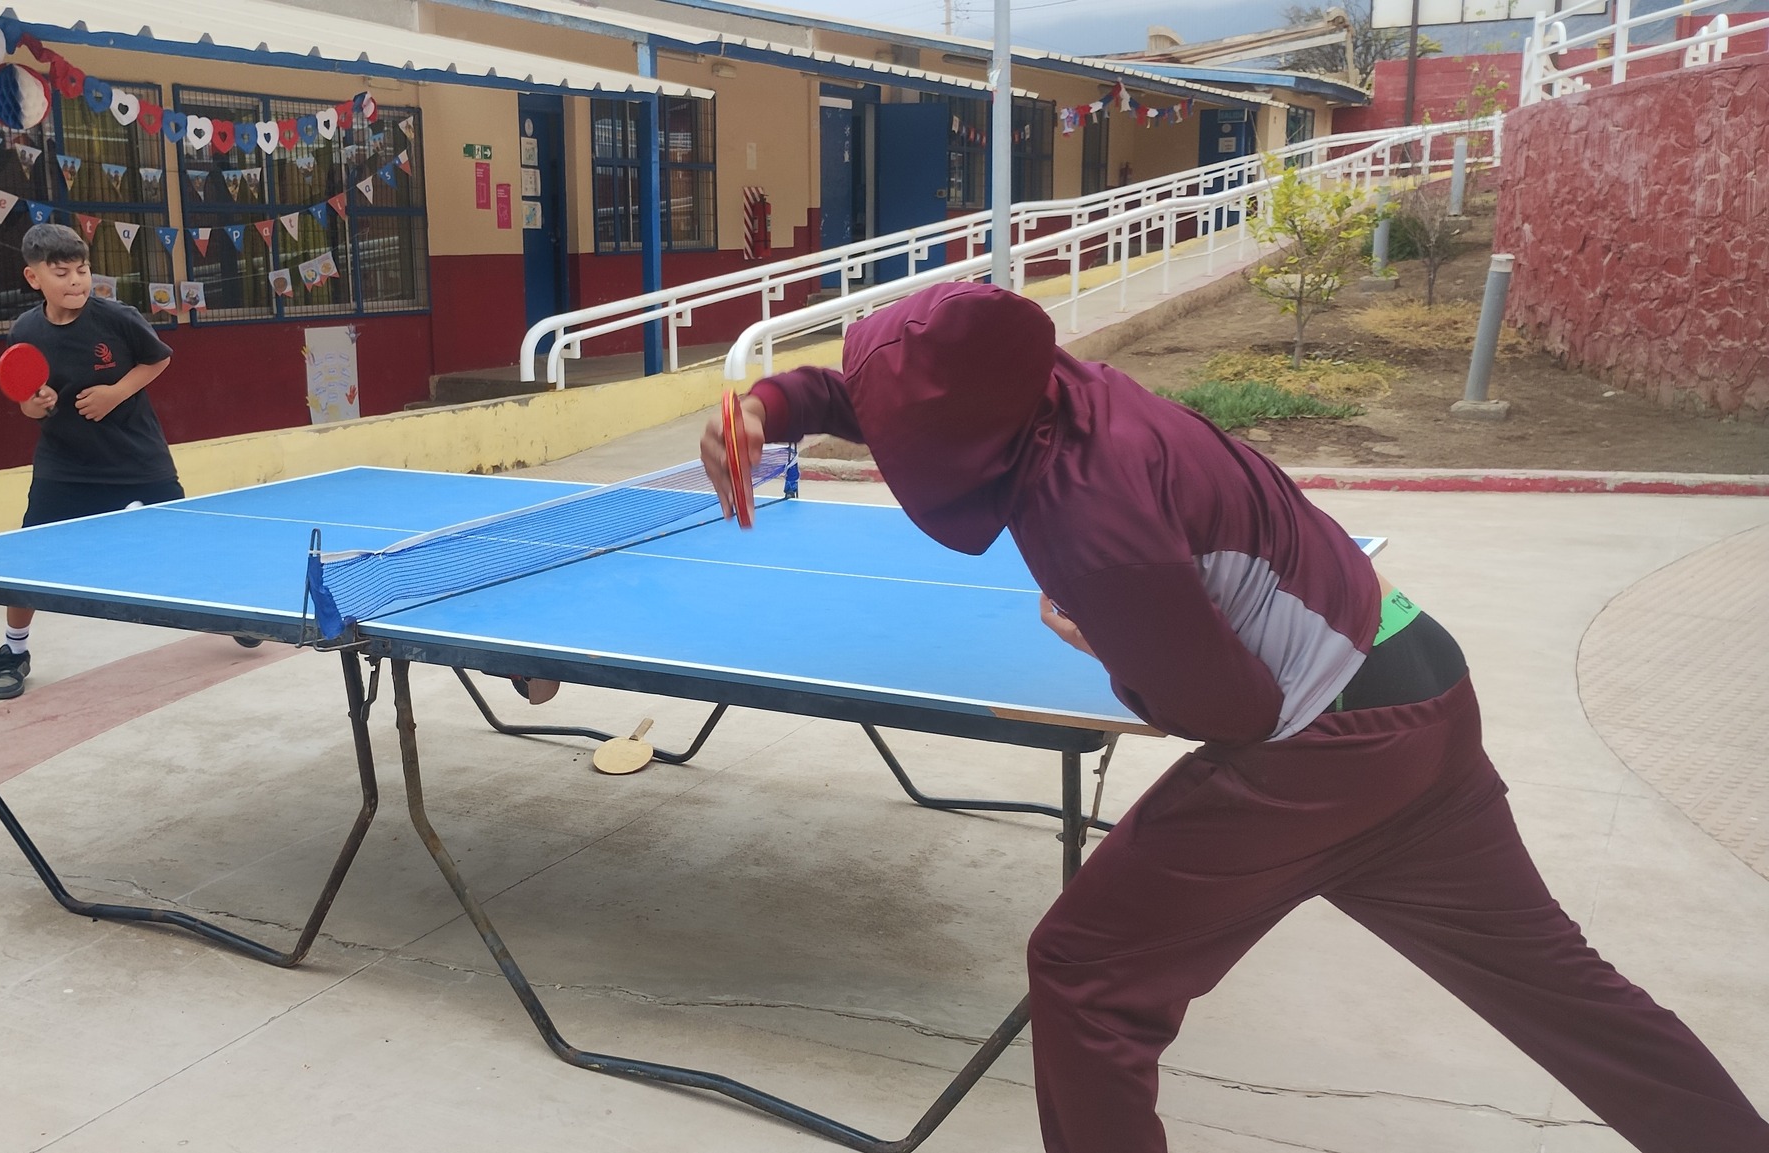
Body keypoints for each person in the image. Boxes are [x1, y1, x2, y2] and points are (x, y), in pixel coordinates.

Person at [700, 282, 1768, 1152]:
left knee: (1084, 975)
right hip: (1418, 681)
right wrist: (772, 407)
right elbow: (896, 396)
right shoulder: (1057, 386)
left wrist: (1106, 649)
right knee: (1560, 989)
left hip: (1320, 744)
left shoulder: (1088, 523)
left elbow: (1226, 707)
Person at [0, 223, 189, 699]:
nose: (77, 281)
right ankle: (13, 651)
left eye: (83, 270)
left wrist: (115, 393)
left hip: (136, 458)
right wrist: (31, 406)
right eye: (62, 273)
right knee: (29, 561)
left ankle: (237, 614)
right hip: (65, 465)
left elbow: (158, 359)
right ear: (34, 277)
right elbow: (26, 396)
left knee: (189, 544)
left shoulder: (116, 316)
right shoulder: (25, 330)